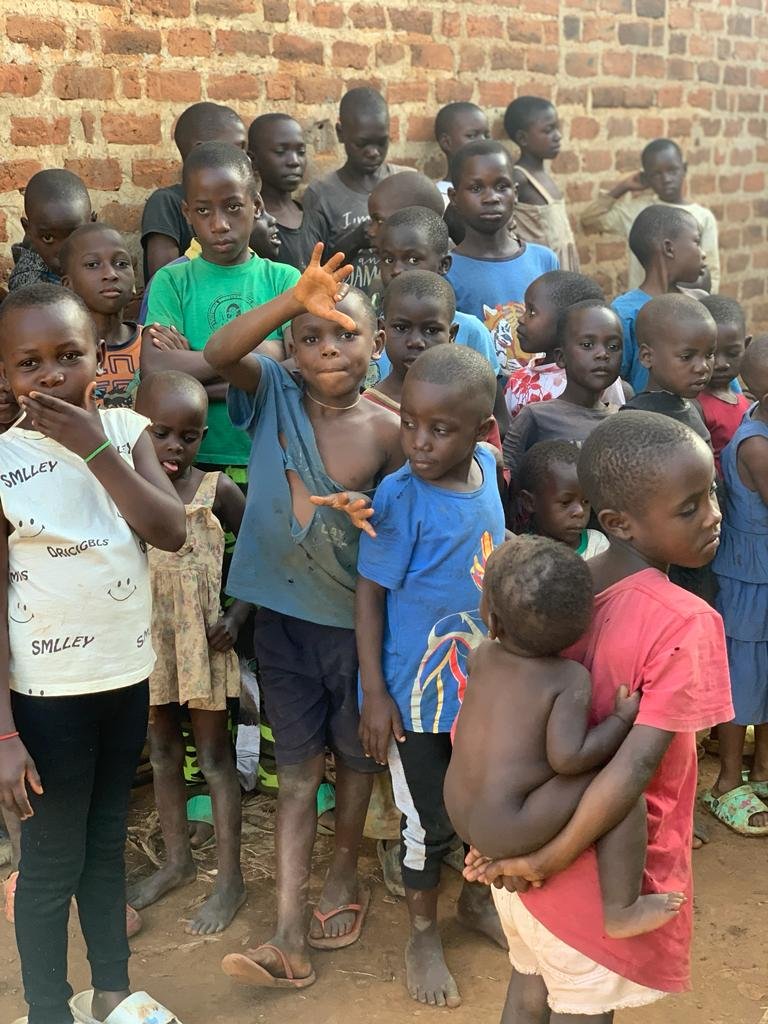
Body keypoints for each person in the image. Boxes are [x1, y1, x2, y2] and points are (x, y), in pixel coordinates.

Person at [464, 412, 732, 1023]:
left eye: (711, 493)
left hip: (514, 854)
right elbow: (634, 770)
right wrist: (546, 860)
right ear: (616, 523)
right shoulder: (686, 623)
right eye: (689, 507)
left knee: (528, 991)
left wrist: (505, 846)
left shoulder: (554, 596)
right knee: (582, 1011)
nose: (713, 514)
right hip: (584, 870)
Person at [204, 245, 402, 989]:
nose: (326, 349)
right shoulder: (274, 390)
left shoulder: (389, 434)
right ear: (290, 346)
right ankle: (287, 934)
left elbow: (395, 541)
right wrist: (292, 301)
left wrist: (371, 511)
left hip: (354, 630)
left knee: (352, 764)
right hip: (281, 624)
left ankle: (342, 872)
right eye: (311, 337)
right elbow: (220, 351)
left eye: (345, 335)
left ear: (376, 346)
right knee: (295, 774)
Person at [0, 283, 186, 1024]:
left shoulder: (125, 429)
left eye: (68, 355)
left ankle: (112, 990)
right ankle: (49, 1008)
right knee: (50, 864)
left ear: (100, 358)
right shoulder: (4, 459)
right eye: (29, 363)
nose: (50, 375)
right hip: (44, 700)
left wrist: (95, 447)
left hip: (123, 679)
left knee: (106, 845)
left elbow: (167, 530)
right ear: (6, 375)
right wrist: (5, 733)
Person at [357, 345, 507, 1008]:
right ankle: (422, 931)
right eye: (410, 423)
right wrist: (376, 695)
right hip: (414, 696)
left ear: (482, 429)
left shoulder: (490, 471)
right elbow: (369, 595)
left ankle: (476, 902)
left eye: (440, 429)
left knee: (486, 804)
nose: (419, 441)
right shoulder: (398, 498)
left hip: (481, 686)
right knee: (425, 818)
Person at [448, 534, 687, 940]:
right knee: (620, 792)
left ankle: (503, 849)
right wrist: (620, 720)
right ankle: (621, 908)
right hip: (511, 823)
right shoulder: (567, 678)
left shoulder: (480, 657)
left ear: (492, 621)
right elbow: (569, 759)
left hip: (461, 812)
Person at [124, 371, 250, 934]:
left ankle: (230, 880)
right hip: (148, 644)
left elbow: (255, 552)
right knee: (162, 751)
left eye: (189, 435)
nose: (175, 447)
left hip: (203, 642)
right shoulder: (123, 490)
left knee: (215, 757)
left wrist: (238, 614)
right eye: (161, 433)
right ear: (134, 425)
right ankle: (177, 861)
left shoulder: (216, 490)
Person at [142, 142, 300, 477]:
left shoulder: (284, 280)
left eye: (232, 207)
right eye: (203, 211)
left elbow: (298, 367)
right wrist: (263, 356)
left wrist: (196, 379)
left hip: (271, 452)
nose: (219, 224)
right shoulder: (172, 281)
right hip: (192, 459)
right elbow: (156, 369)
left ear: (255, 205)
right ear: (187, 214)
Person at [707, 337, 768, 835]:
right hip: (750, 575)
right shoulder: (755, 445)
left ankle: (762, 770)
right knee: (743, 677)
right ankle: (727, 780)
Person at [445, 140, 559, 373]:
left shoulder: (544, 260)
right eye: (476, 189)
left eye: (501, 186)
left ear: (515, 194)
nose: (491, 198)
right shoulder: (447, 270)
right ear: (454, 197)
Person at [302, 87, 409, 294]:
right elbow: (313, 267)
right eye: (362, 143)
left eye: (381, 142)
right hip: (344, 307)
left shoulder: (405, 183)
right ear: (341, 133)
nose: (373, 152)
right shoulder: (322, 193)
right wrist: (355, 239)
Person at [373, 206, 499, 378]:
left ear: (443, 265)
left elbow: (490, 395)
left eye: (413, 259)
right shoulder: (368, 329)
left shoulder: (471, 330)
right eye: (388, 259)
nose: (396, 269)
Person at [503, 300, 622, 481]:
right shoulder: (536, 417)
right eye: (587, 345)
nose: (603, 354)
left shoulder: (621, 421)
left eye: (613, 347)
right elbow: (507, 483)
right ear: (561, 357)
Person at [581, 137, 720, 292]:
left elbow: (711, 274)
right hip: (642, 306)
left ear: (684, 169)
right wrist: (623, 187)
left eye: (672, 170)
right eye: (656, 174)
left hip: (684, 310)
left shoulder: (703, 217)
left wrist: (700, 304)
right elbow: (590, 219)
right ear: (646, 178)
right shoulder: (638, 210)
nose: (666, 179)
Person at [141, 102, 247, 281]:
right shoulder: (166, 203)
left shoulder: (243, 203)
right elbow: (165, 280)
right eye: (238, 149)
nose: (246, 158)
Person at [504, 270, 625, 419]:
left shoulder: (599, 375)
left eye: (532, 312)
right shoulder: (517, 381)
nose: (521, 319)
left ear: (568, 322)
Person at [612, 204, 706, 393]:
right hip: (647, 418)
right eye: (696, 242)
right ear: (669, 248)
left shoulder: (700, 303)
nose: (703, 253)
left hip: (702, 421)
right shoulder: (624, 313)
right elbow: (615, 384)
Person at [60, 223, 142, 408]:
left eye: (121, 264)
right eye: (93, 265)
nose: (111, 274)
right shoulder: (60, 354)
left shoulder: (154, 344)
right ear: (68, 285)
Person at [621, 294, 715, 445]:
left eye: (709, 354)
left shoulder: (691, 408)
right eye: (686, 356)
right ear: (647, 357)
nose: (703, 367)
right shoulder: (634, 422)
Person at [503, 96, 580, 272]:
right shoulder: (519, 178)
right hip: (541, 272)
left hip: (563, 267)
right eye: (548, 130)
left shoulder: (544, 175)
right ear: (522, 138)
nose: (558, 136)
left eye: (557, 128)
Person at [363, 270, 455, 414]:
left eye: (431, 330)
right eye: (401, 328)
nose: (416, 342)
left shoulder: (462, 404)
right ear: (382, 330)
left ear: (452, 335)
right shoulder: (366, 409)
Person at [247, 113, 326, 271]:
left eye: (301, 152)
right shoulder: (251, 225)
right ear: (253, 160)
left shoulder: (315, 220)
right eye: (280, 152)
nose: (294, 161)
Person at [518, 440, 609, 559]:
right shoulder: (523, 554)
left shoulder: (597, 545)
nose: (580, 511)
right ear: (529, 502)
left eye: (586, 501)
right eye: (566, 502)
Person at [9, 169, 94, 292]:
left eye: (74, 235)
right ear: (28, 229)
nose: (63, 252)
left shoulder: (106, 258)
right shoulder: (29, 285)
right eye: (48, 238)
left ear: (92, 224)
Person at [697, 295, 752, 474]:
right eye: (711, 353)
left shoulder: (745, 402)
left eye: (732, 353)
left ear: (746, 347)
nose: (721, 364)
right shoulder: (697, 407)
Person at [433, 102, 490, 204]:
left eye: (487, 135)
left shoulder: (497, 194)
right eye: (472, 136)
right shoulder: (438, 199)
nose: (483, 142)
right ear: (446, 143)